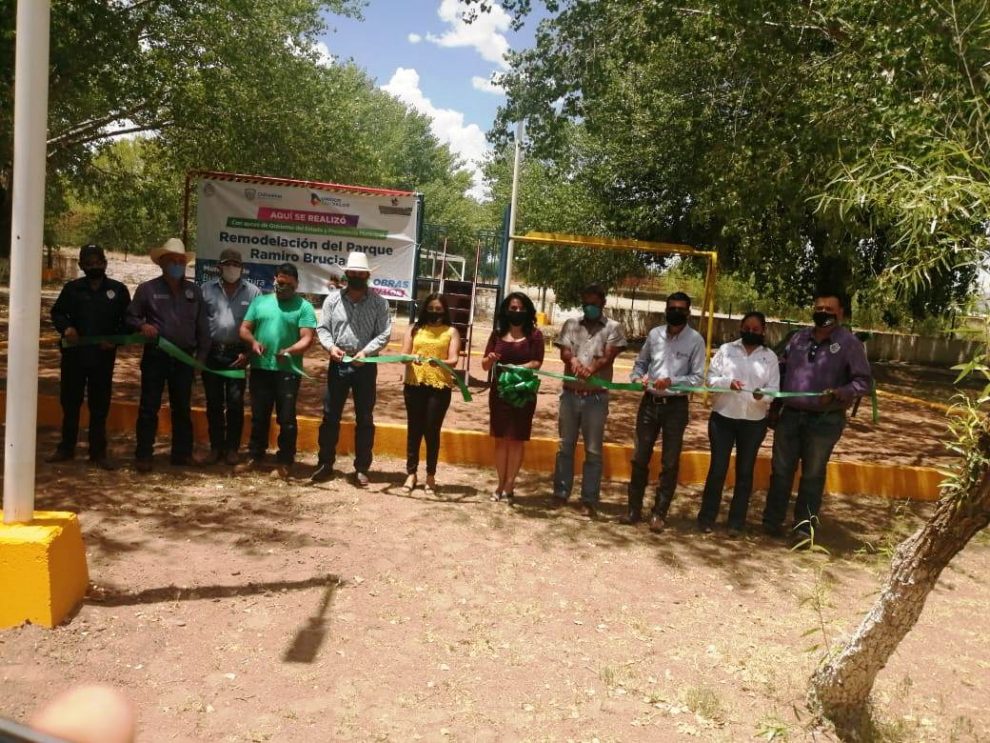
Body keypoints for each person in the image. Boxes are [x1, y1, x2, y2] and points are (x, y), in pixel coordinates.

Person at [761, 291, 872, 539]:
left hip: (824, 421)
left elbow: (863, 382)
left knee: (813, 474)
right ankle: (772, 521)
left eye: (829, 310)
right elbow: (781, 370)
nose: (823, 313)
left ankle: (803, 527)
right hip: (790, 417)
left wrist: (839, 393)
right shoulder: (798, 338)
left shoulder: (850, 343)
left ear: (841, 313)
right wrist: (774, 407)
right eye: (819, 309)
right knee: (781, 471)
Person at [623, 291, 705, 531]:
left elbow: (697, 378)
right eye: (672, 308)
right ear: (666, 310)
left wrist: (673, 381)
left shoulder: (695, 340)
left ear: (688, 312)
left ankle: (659, 514)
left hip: (676, 407)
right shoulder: (655, 334)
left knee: (670, 462)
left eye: (681, 309)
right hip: (649, 404)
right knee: (640, 457)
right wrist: (638, 377)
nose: (676, 312)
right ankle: (633, 510)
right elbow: (641, 363)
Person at [126, 238, 210, 472]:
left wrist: (200, 359)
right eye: (172, 260)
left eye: (181, 261)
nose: (177, 265)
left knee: (182, 407)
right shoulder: (147, 289)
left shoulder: (194, 291)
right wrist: (142, 325)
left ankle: (182, 454)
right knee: (149, 406)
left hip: (184, 358)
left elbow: (203, 327)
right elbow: (130, 316)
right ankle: (144, 455)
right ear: (162, 263)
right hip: (156, 356)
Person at [311, 252, 392, 486]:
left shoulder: (379, 303)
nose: (356, 276)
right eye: (352, 272)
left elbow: (385, 333)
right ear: (346, 274)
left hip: (366, 366)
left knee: (364, 417)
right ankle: (325, 464)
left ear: (367, 275)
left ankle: (362, 468)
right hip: (338, 363)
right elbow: (323, 328)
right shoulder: (332, 301)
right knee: (330, 415)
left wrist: (366, 352)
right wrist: (330, 347)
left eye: (360, 273)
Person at [48, 244, 131, 469]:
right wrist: (66, 328)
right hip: (74, 357)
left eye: (98, 262)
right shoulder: (72, 289)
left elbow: (129, 321)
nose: (94, 266)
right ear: (81, 265)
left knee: (99, 406)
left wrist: (115, 339)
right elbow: (57, 313)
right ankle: (66, 448)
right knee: (70, 403)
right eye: (89, 263)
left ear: (105, 263)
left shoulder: (118, 290)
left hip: (102, 358)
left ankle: (98, 453)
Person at [696, 312, 780, 536]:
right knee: (718, 469)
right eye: (747, 328)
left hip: (753, 422)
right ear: (741, 328)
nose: (751, 332)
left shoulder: (770, 357)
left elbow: (774, 389)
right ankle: (706, 518)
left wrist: (763, 395)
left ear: (763, 331)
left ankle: (736, 522)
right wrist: (727, 383)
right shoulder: (726, 350)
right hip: (723, 418)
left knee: (745, 472)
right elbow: (710, 380)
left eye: (756, 329)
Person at [550, 283, 627, 518]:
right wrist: (572, 361)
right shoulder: (571, 325)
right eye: (585, 303)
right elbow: (565, 351)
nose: (589, 307)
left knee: (593, 451)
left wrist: (589, 370)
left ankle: (589, 500)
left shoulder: (614, 328)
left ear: (603, 303)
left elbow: (608, 356)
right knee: (565, 446)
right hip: (569, 396)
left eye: (593, 303)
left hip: (596, 398)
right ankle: (561, 493)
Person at [237, 263, 316, 478]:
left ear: (297, 284)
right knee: (259, 416)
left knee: (286, 419)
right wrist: (253, 342)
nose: (284, 287)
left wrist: (290, 350)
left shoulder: (304, 307)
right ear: (274, 280)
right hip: (260, 368)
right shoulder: (260, 302)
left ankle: (285, 461)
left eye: (289, 284)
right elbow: (244, 329)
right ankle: (255, 456)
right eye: (281, 283)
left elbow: (307, 338)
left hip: (288, 371)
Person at [482, 292, 545, 503]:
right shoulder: (497, 334)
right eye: (513, 308)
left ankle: (510, 484)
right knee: (500, 440)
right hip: (499, 394)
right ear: (506, 310)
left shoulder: (535, 335)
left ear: (528, 311)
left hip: (522, 394)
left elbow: (537, 362)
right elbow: (484, 365)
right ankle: (500, 484)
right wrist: (491, 359)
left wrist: (517, 368)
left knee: (517, 440)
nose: (517, 312)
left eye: (521, 308)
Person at [201, 248, 261, 465]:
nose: (232, 268)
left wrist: (248, 354)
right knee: (213, 403)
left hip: (238, 355)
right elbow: (199, 322)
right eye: (228, 264)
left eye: (236, 264)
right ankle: (216, 448)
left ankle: (232, 449)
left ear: (242, 268)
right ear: (219, 266)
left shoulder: (253, 292)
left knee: (235, 403)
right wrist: (201, 353)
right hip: (212, 354)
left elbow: (259, 326)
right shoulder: (206, 290)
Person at [400, 293, 462, 495]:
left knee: (431, 431)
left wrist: (440, 362)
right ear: (425, 309)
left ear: (444, 311)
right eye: (431, 308)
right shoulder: (413, 329)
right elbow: (403, 356)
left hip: (439, 387)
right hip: (414, 384)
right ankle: (411, 473)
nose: (434, 312)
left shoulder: (451, 332)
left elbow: (454, 360)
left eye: (439, 309)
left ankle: (430, 475)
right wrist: (412, 358)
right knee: (414, 430)